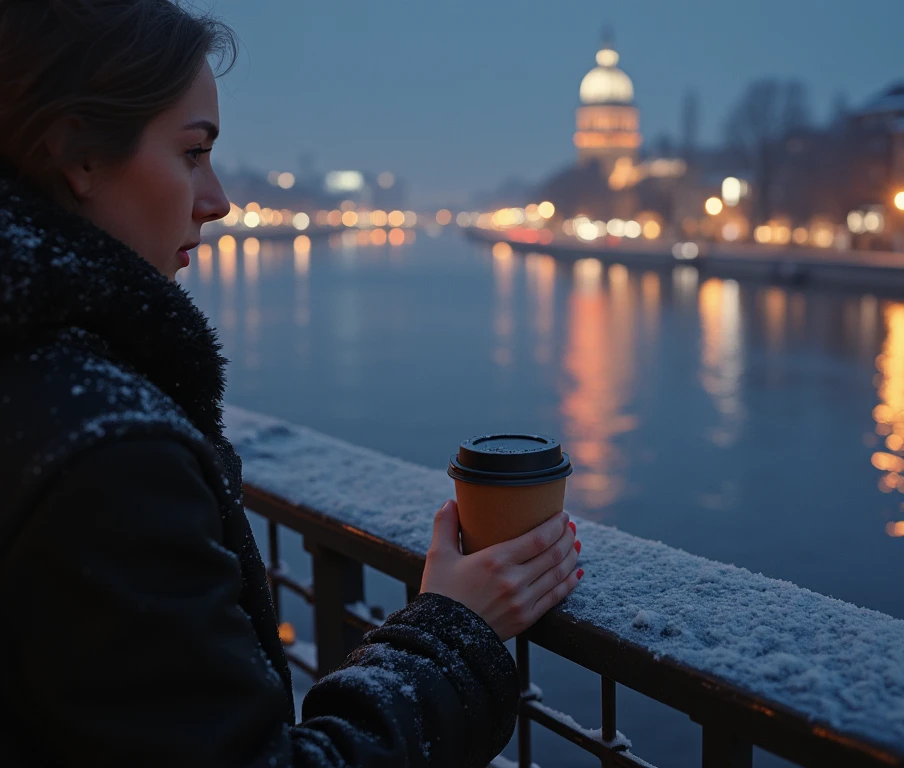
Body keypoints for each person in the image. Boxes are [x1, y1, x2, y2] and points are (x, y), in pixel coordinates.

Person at [0, 2, 583, 766]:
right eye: (192, 153)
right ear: (77, 154)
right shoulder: (109, 458)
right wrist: (451, 629)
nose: (219, 200)